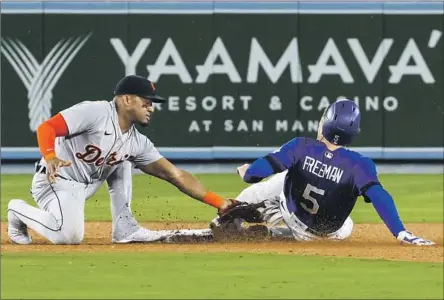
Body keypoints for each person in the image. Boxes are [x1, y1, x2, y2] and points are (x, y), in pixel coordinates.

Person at [7, 75, 237, 245]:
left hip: (86, 183)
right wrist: (50, 156)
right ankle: (17, 210)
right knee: (69, 236)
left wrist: (221, 203)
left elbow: (175, 175)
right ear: (127, 100)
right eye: (146, 102)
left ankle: (125, 227)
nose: (151, 108)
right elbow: (46, 127)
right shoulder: (95, 112)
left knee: (124, 157)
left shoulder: (137, 141)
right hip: (56, 180)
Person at [211, 99, 435, 246]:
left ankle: (225, 221)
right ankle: (281, 235)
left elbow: (256, 174)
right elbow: (379, 196)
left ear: (325, 123)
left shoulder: (301, 146)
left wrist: (246, 171)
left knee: (277, 181)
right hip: (331, 235)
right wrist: (401, 232)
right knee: (348, 221)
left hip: (291, 215)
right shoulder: (360, 164)